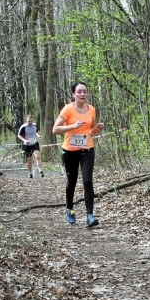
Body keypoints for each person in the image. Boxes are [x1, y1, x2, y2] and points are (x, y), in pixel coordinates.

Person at [52, 81, 105, 227]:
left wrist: (97, 128)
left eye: (85, 91)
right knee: (72, 181)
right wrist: (72, 126)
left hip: (87, 149)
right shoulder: (68, 109)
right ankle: (70, 209)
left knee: (88, 180)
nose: (82, 94)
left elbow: (90, 132)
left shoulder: (91, 109)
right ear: (73, 94)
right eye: (79, 92)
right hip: (69, 151)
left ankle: (90, 216)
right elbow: (55, 130)